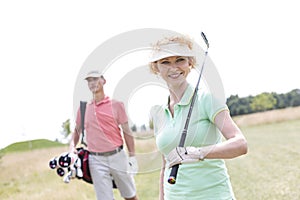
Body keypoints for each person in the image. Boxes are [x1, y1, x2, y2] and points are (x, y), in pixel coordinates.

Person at [149, 35, 248, 200]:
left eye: (179, 60)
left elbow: (240, 144)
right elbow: (166, 163)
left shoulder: (207, 99)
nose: (173, 67)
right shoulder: (157, 112)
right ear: (156, 68)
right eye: (165, 62)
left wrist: (197, 152)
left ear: (190, 63)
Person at [69, 70, 139, 200]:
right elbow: (77, 130)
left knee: (130, 196)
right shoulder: (83, 108)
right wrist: (71, 148)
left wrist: (132, 156)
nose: (92, 83)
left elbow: (127, 132)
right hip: (95, 160)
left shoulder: (117, 105)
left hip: (118, 156)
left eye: (95, 79)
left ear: (103, 81)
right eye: (89, 80)